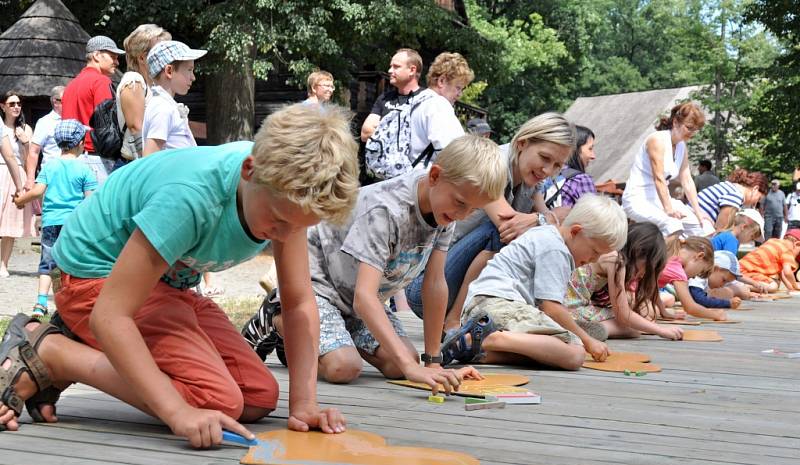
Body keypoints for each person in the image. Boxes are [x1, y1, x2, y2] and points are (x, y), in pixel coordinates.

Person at [0, 103, 358, 445]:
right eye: (279, 222)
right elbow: (111, 315)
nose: (283, 237)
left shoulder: (287, 193)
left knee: (257, 396)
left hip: (167, 285)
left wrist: (304, 404)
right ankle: (55, 353)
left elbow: (296, 303)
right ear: (249, 170)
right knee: (217, 401)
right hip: (92, 279)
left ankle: (91, 353)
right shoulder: (191, 197)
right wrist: (177, 413)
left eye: (297, 228)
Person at [241, 135, 506, 388]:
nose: (463, 214)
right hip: (320, 289)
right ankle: (277, 318)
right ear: (435, 176)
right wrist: (412, 369)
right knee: (344, 367)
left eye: (473, 210)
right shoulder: (387, 210)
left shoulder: (445, 209)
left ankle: (305, 345)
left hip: (357, 301)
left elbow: (435, 283)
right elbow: (364, 297)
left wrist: (432, 362)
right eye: (461, 203)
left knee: (402, 364)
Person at [404, 112, 574, 331]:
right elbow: (509, 224)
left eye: (557, 165)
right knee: (499, 232)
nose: (548, 171)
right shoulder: (492, 165)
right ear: (523, 143)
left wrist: (542, 220)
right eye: (545, 158)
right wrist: (543, 218)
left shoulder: (532, 180)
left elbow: (554, 231)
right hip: (427, 289)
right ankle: (454, 319)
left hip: (457, 284)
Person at [437, 194, 627, 371]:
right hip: (500, 303)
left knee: (544, 354)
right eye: (594, 251)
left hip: (486, 307)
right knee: (575, 352)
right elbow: (550, 307)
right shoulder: (556, 249)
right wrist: (586, 340)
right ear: (576, 231)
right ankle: (489, 339)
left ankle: (477, 350)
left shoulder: (548, 237)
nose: (594, 259)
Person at [141, 40, 218, 295]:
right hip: (172, 201)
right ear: (169, 71)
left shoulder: (166, 105)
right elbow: (150, 158)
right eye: (189, 70)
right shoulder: (162, 108)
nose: (193, 77)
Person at [13, 119, 97, 317]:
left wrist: (20, 200)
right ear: (80, 143)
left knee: (48, 262)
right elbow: (90, 201)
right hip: (74, 225)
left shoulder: (50, 166)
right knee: (73, 262)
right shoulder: (84, 169)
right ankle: (71, 301)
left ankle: (41, 303)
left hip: (51, 222)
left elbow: (37, 191)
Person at [566, 221, 683, 341]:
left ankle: (590, 328)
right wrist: (660, 330)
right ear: (639, 252)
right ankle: (598, 328)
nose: (643, 276)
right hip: (570, 311)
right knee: (632, 328)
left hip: (573, 307)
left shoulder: (614, 257)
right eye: (647, 269)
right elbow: (623, 314)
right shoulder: (616, 261)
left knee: (639, 320)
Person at [622, 102, 707, 237]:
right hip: (638, 199)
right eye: (689, 128)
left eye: (696, 129)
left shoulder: (681, 147)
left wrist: (698, 212)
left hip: (660, 199)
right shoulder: (657, 140)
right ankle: (670, 258)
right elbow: (659, 178)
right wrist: (668, 210)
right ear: (675, 122)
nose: (692, 133)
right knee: (673, 225)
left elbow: (687, 181)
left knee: (702, 226)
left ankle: (699, 256)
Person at [61, 35, 124, 184]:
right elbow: (107, 126)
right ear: (96, 55)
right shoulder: (101, 81)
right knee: (101, 207)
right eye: (112, 56)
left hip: (70, 158)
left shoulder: (71, 85)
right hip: (96, 159)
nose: (117, 62)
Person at [116, 24, 172, 164]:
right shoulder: (133, 80)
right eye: (159, 51)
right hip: (136, 164)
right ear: (142, 58)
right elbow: (136, 127)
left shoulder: (152, 84)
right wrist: (147, 166)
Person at [407, 52, 472, 167]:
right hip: (424, 179)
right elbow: (455, 153)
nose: (460, 94)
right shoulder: (438, 104)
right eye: (458, 88)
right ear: (441, 81)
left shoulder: (416, 100)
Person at [0, 91, 36, 278]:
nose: (16, 107)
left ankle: (3, 264)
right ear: (3, 106)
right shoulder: (1, 128)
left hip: (16, 175)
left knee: (9, 224)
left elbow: (29, 158)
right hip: (1, 170)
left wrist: (26, 142)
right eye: (12, 103)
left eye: (19, 103)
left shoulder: (25, 129)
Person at [360, 48, 423, 142]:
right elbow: (365, 133)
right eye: (390, 66)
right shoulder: (384, 98)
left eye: (396, 67)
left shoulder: (426, 100)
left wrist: (382, 127)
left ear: (412, 70)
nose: (389, 70)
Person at [658, 236, 725, 320]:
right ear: (700, 256)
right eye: (700, 271)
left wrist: (664, 312)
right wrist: (716, 315)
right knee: (650, 312)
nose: (693, 277)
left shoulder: (668, 255)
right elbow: (690, 307)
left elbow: (651, 290)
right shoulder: (677, 270)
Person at [697, 169, 767, 233]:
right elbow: (720, 228)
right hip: (697, 222)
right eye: (758, 199)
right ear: (755, 189)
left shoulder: (731, 186)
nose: (755, 204)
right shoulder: (736, 196)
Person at [549, 125, 597, 208]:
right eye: (590, 149)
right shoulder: (581, 180)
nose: (593, 156)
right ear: (575, 149)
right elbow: (594, 217)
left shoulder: (549, 174)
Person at [24, 86, 64, 185]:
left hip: (72, 176)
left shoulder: (74, 119)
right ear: (55, 102)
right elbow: (34, 151)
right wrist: (30, 179)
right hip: (51, 176)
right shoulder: (45, 122)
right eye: (67, 99)